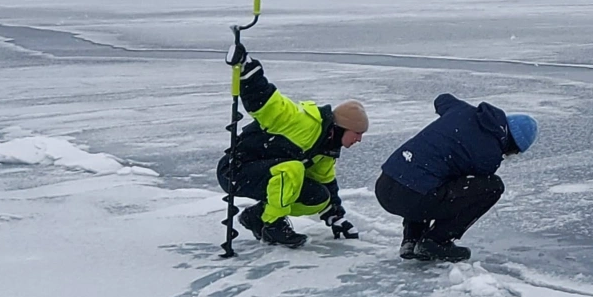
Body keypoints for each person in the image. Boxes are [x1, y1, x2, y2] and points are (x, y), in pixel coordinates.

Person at [216, 50, 368, 248]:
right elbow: (268, 103)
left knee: (319, 197)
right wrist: (247, 67)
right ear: (342, 128)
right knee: (292, 169)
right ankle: (273, 225)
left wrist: (337, 219)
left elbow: (326, 183)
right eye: (357, 132)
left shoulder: (327, 149)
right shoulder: (302, 122)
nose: (359, 139)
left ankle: (256, 216)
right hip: (237, 170)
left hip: (269, 175)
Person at [376, 93, 537, 262]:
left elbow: (442, 99)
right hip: (412, 198)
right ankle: (436, 241)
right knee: (492, 187)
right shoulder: (489, 156)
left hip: (385, 184)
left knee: (428, 171)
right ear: (513, 145)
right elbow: (464, 193)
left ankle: (411, 239)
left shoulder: (464, 110)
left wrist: (459, 116)